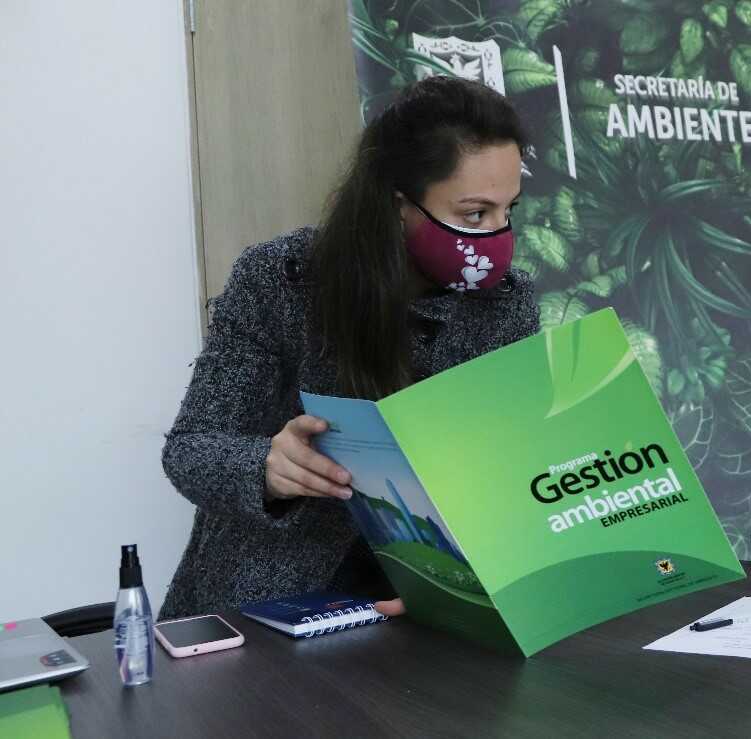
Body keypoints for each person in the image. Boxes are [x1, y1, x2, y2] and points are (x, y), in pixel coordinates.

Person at [159, 76, 538, 619]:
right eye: (474, 215)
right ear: (396, 204)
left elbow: (508, 470)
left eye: (509, 210)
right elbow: (190, 449)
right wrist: (267, 465)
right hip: (268, 603)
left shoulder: (508, 303)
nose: (497, 234)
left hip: (429, 605)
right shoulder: (281, 279)